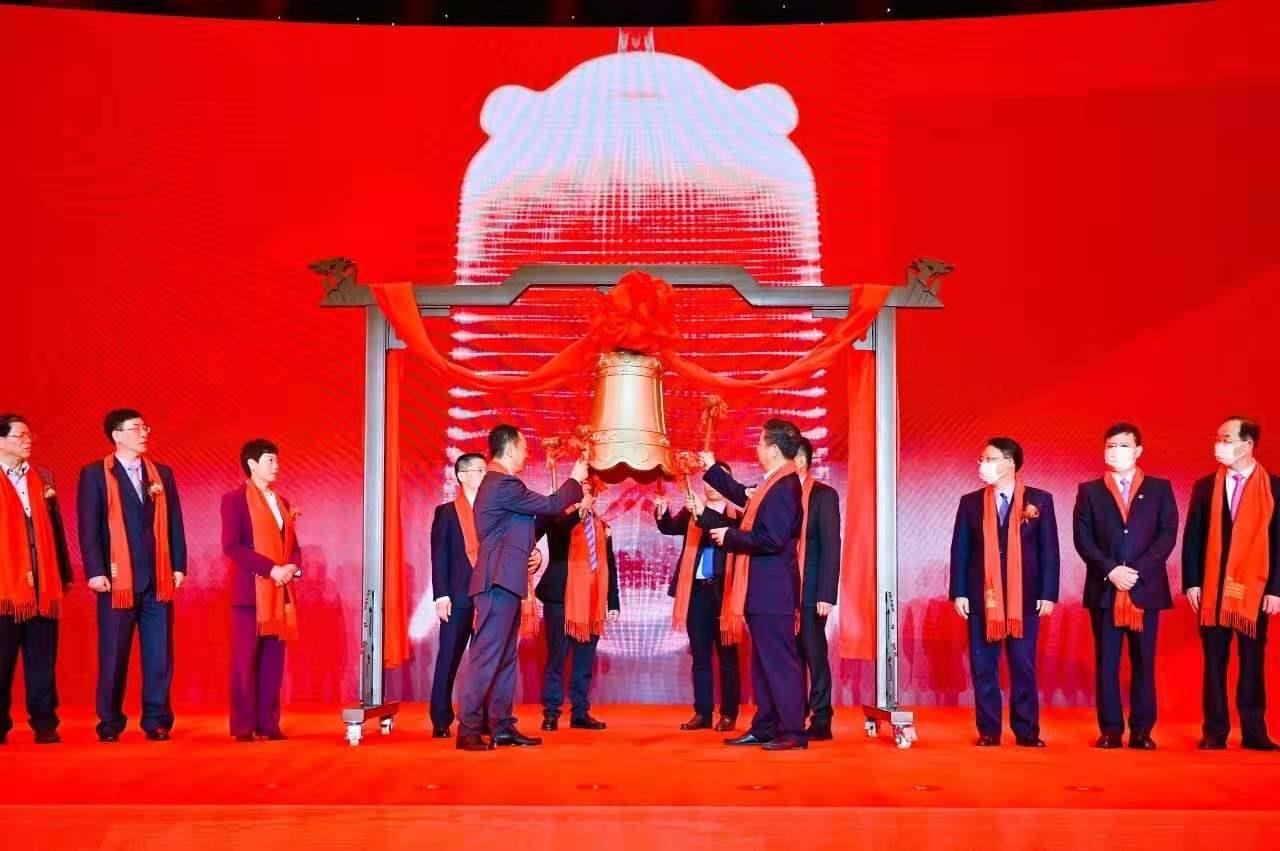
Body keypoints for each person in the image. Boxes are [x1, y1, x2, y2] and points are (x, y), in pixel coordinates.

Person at [455, 424, 586, 751]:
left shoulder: (500, 485)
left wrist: (533, 550)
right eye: (525, 448)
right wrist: (575, 479)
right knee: (487, 656)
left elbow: (530, 523)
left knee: (504, 658)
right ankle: (468, 729)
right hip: (496, 582)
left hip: (506, 581)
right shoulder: (502, 483)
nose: (527, 454)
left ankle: (502, 726)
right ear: (511, 448)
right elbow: (551, 505)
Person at [77, 409, 187, 742]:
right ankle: (110, 722)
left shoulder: (161, 474)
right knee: (114, 655)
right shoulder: (95, 474)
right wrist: (95, 571)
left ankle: (156, 720)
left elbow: (175, 522)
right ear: (117, 435)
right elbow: (89, 527)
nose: (144, 433)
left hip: (157, 579)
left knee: (159, 655)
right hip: (116, 580)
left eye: (145, 427)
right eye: (136, 428)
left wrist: (178, 565)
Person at [698, 418, 807, 751]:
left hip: (773, 591)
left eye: (760, 443)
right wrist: (712, 467)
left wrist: (730, 536)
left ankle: (793, 731)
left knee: (780, 663)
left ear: (773, 450)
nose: (756, 448)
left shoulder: (784, 487)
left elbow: (771, 539)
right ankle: (765, 726)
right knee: (763, 663)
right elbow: (743, 495)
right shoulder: (773, 482)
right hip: (764, 591)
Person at [948, 436, 1059, 747]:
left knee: (1023, 665)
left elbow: (1049, 550)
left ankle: (1027, 731)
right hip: (983, 596)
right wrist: (959, 592)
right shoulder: (970, 502)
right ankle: (989, 730)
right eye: (982, 459)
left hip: (1026, 597)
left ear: (1009, 463)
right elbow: (960, 550)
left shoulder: (1040, 500)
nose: (982, 465)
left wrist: (1048, 593)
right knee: (983, 666)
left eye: (989, 459)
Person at [1073, 422, 1178, 749]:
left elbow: (1167, 535)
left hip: (1145, 588)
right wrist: (1111, 570)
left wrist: (1136, 571)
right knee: (1107, 663)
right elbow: (1083, 539)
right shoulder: (1090, 491)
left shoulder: (1160, 489)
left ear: (1138, 451)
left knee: (1144, 662)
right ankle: (1111, 730)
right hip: (1105, 590)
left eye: (1122, 446)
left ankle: (1142, 731)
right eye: (1110, 446)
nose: (1115, 451)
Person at [1182, 416, 1280, 750]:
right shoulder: (1206, 486)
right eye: (1218, 437)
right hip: (1211, 589)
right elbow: (1193, 537)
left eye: (1226, 438)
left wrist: (1276, 589)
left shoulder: (1274, 488)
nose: (1219, 444)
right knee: (1214, 662)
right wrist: (1192, 582)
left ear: (1247, 444)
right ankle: (1215, 731)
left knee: (1252, 662)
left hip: (1254, 590)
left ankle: (1254, 732)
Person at [220, 439, 301, 742]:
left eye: (277, 460)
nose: (276, 465)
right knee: (245, 661)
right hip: (249, 594)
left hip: (279, 593)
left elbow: (293, 547)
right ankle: (243, 726)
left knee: (272, 663)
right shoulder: (234, 500)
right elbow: (232, 546)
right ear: (252, 464)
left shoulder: (283, 502)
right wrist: (271, 569)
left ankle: (268, 723)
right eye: (270, 460)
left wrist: (292, 567)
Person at [0, 414, 72, 745]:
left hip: (43, 585)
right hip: (5, 589)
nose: (28, 440)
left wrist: (63, 572)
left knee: (42, 662)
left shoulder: (41, 478)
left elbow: (55, 529)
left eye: (30, 435)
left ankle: (45, 723)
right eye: (20, 435)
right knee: (1, 662)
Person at [656, 461, 740, 732]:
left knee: (727, 657)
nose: (712, 486)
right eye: (708, 481)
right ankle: (702, 712)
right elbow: (669, 527)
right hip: (697, 592)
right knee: (700, 656)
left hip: (724, 591)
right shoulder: (692, 510)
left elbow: (723, 532)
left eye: (719, 481)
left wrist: (702, 512)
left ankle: (728, 713)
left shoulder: (737, 515)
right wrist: (662, 511)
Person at [535, 477, 620, 731]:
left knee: (584, 660)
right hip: (561, 598)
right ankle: (551, 712)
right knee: (557, 658)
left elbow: (609, 564)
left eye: (590, 492)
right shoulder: (558, 518)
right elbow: (558, 537)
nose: (587, 495)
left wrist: (613, 601)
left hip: (592, 599)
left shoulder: (601, 525)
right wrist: (578, 513)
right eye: (581, 491)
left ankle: (580, 712)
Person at [427, 452, 487, 738]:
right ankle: (440, 718)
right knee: (449, 658)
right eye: (479, 470)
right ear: (462, 476)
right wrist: (441, 595)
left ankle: (480, 716)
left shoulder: (492, 512)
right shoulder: (447, 512)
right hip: (458, 597)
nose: (485, 475)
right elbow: (439, 556)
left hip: (488, 597)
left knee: (485, 661)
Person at [792, 437, 841, 741]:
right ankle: (793, 714)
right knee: (790, 656)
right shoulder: (779, 495)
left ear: (800, 460)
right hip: (784, 591)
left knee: (814, 653)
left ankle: (821, 718)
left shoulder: (824, 495)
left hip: (811, 591)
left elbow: (831, 547)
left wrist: (826, 593)